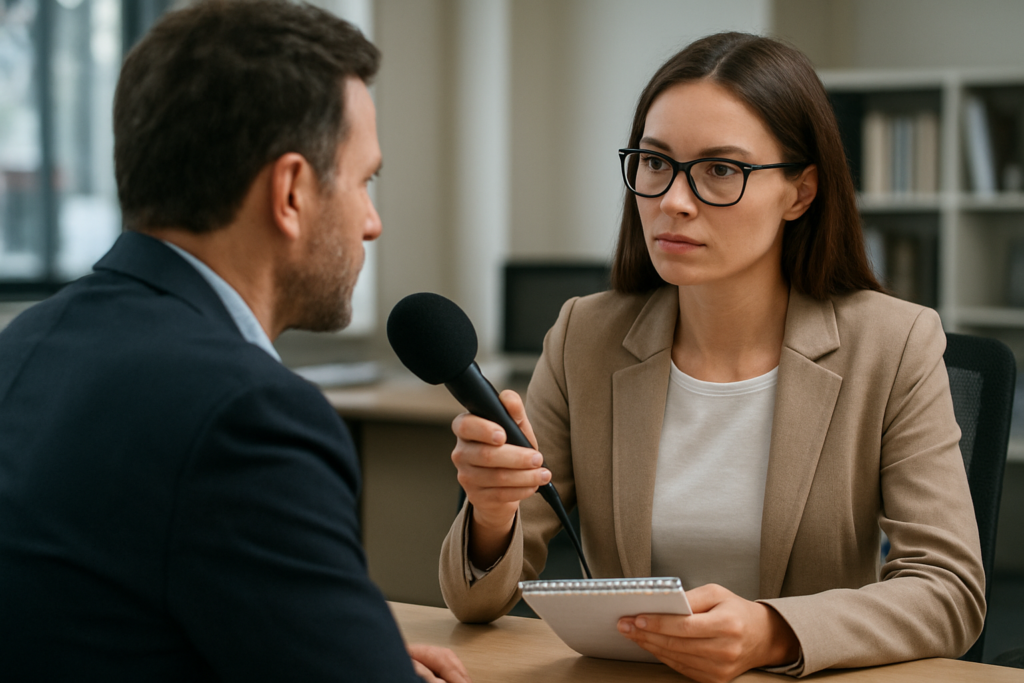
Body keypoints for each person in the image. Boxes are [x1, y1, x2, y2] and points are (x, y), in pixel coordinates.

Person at [439, 32, 985, 682]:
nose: (672, 198)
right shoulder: (585, 335)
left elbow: (950, 590)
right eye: (654, 162)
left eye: (721, 170)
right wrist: (493, 514)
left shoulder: (894, 344)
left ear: (800, 193)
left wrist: (773, 632)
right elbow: (474, 602)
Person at [0, 2, 470, 682]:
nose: (371, 222)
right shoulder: (247, 415)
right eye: (365, 180)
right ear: (290, 192)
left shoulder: (30, 342)